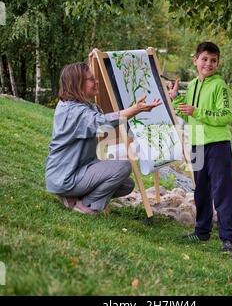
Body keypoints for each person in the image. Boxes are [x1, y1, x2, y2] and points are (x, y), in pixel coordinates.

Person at [45, 62, 161, 215]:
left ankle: (73, 196)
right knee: (123, 167)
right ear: (77, 84)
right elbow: (101, 124)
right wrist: (135, 110)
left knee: (126, 185)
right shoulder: (73, 112)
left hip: (78, 171)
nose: (96, 81)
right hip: (65, 176)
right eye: (91, 79)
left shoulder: (80, 105)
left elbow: (101, 119)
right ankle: (86, 205)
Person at [169, 42, 232, 253]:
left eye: (213, 60)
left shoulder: (220, 86)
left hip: (217, 145)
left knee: (221, 192)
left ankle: (228, 239)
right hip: (197, 143)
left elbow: (226, 115)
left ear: (218, 63)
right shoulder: (193, 85)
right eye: (205, 59)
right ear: (195, 61)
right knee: (201, 190)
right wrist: (176, 99)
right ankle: (202, 231)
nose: (208, 63)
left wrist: (196, 111)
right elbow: (185, 113)